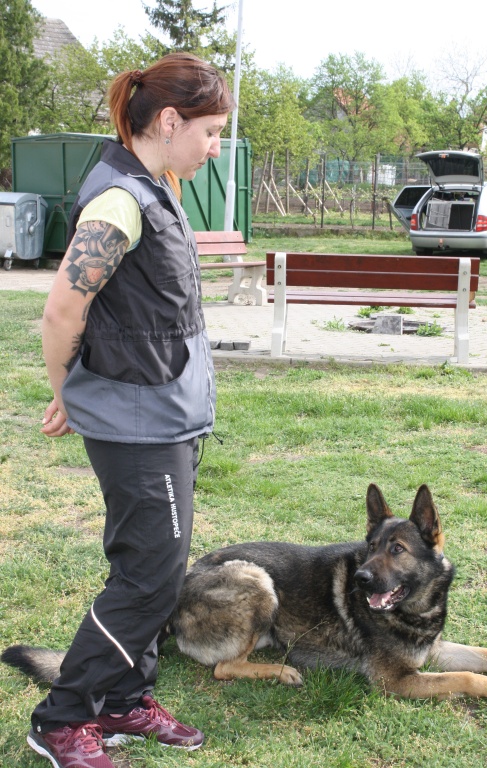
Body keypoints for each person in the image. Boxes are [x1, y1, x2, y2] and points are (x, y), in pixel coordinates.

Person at [28, 52, 235, 768]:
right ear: (170, 121)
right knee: (150, 577)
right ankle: (62, 719)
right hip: (138, 425)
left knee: (154, 568)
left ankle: (124, 699)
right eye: (211, 132)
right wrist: (66, 391)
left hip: (162, 414)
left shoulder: (153, 186)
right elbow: (63, 310)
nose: (216, 148)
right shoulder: (120, 200)